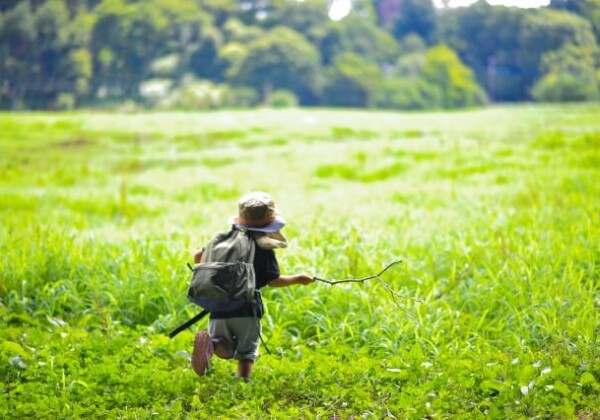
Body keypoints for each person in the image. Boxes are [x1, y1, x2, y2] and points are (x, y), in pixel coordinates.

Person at [191, 191, 314, 381]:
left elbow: (198, 257)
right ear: (270, 224)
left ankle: (211, 345)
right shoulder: (263, 249)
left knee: (223, 344)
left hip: (218, 306)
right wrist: (298, 278)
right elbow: (274, 281)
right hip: (246, 307)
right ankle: (243, 382)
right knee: (247, 351)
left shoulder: (225, 241)